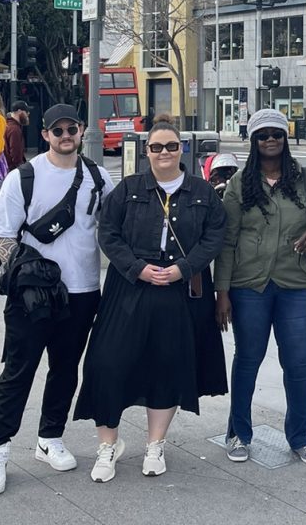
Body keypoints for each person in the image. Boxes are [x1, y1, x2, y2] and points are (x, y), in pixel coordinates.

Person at [74, 118, 226, 483]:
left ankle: (155, 444)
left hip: (180, 289)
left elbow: (214, 236)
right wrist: (136, 268)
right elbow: (108, 233)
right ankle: (107, 446)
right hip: (130, 286)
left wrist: (184, 268)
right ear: (146, 152)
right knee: (107, 362)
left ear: (181, 150)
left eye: (171, 146)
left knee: (167, 364)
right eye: (156, 147)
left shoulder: (202, 192)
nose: (164, 153)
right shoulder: (128, 189)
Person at [0, 104, 114, 496]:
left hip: (83, 290)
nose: (66, 135)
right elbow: (3, 236)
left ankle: (50, 436)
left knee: (66, 368)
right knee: (18, 371)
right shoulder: (25, 177)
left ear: (81, 130)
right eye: (58, 131)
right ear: (45, 135)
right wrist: (27, 272)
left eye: (72, 129)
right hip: (32, 296)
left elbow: (113, 224)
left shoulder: (97, 176)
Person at [215, 109, 306, 466]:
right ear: (253, 141)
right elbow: (227, 240)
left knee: (299, 363)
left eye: (277, 134)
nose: (270, 140)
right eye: (263, 135)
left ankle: (300, 436)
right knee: (248, 359)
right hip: (249, 286)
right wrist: (221, 292)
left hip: (296, 284)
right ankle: (238, 432)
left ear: (285, 139)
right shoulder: (240, 182)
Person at [3, 100, 31, 171]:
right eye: (26, 112)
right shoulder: (14, 129)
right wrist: (20, 167)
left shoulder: (6, 124)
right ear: (19, 111)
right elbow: (15, 153)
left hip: (5, 166)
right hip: (12, 169)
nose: (28, 114)